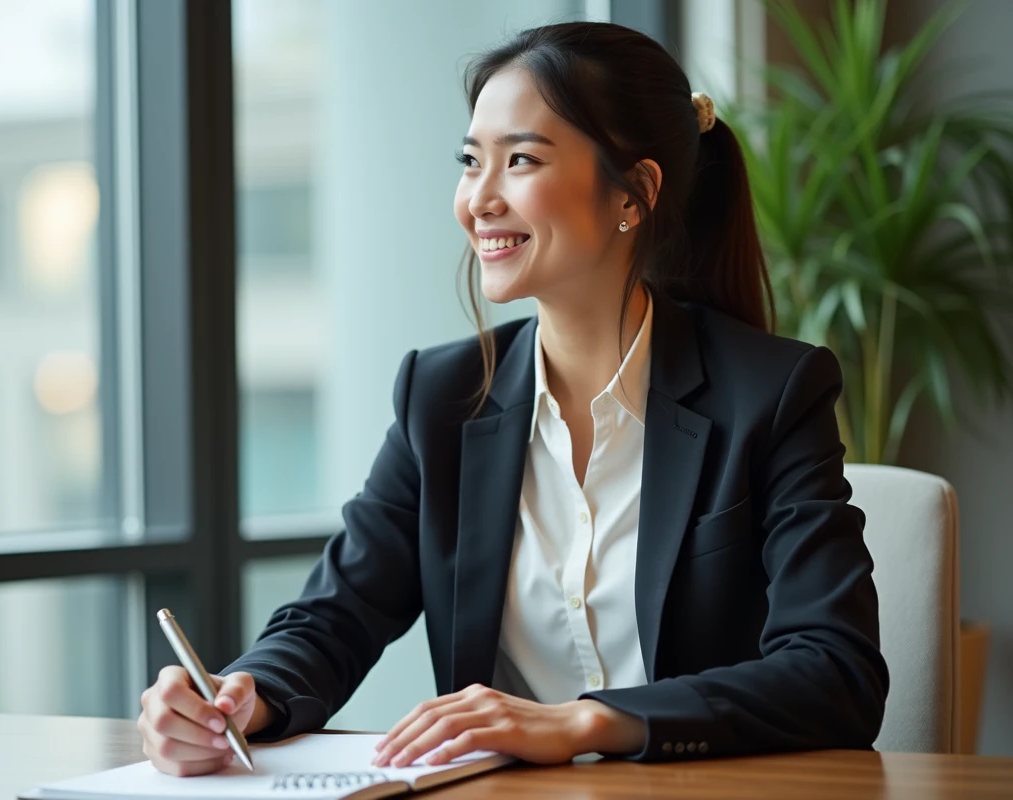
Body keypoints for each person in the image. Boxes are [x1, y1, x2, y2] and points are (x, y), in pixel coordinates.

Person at [137, 21, 889, 776]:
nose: (478, 199)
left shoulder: (772, 392)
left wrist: (584, 723)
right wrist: (238, 697)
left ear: (636, 193)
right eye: (471, 162)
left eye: (521, 160)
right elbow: (334, 617)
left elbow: (835, 672)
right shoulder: (441, 397)